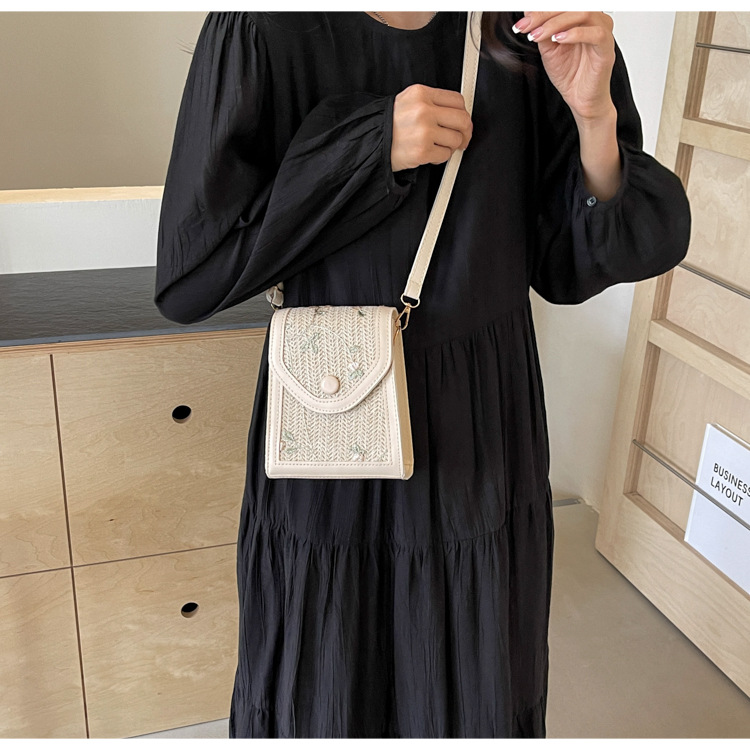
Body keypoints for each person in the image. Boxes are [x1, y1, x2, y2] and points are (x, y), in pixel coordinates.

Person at [153, 10, 691, 738]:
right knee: (327, 681)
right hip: (334, 418)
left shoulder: (517, 23)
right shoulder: (262, 26)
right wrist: (366, 148)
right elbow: (192, 272)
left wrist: (595, 116)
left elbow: (569, 259)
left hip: (484, 423)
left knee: (476, 682)